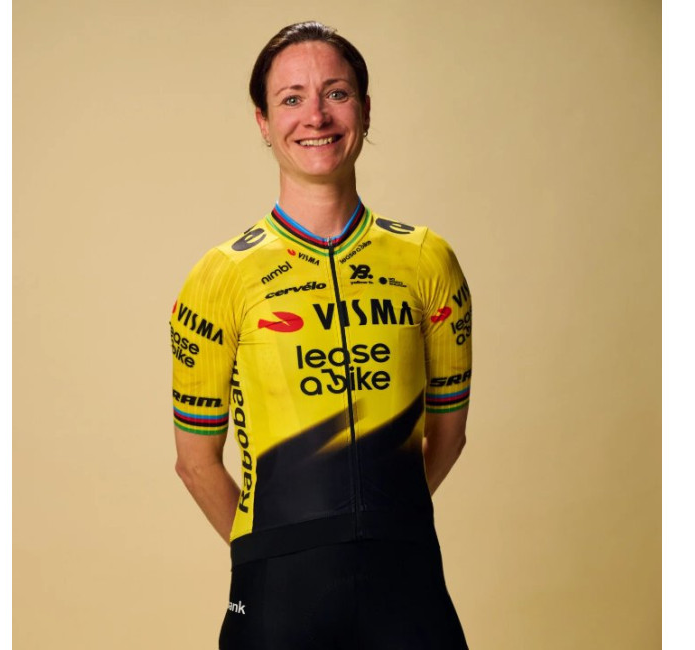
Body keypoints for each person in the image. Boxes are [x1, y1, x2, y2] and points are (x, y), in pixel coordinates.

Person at [171, 21, 473, 649]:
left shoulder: (427, 261)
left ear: (365, 108)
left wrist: (379, 526)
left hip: (408, 581)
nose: (316, 116)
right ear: (263, 122)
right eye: (292, 98)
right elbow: (195, 462)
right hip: (275, 592)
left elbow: (449, 434)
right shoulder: (221, 275)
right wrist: (277, 551)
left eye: (336, 93)